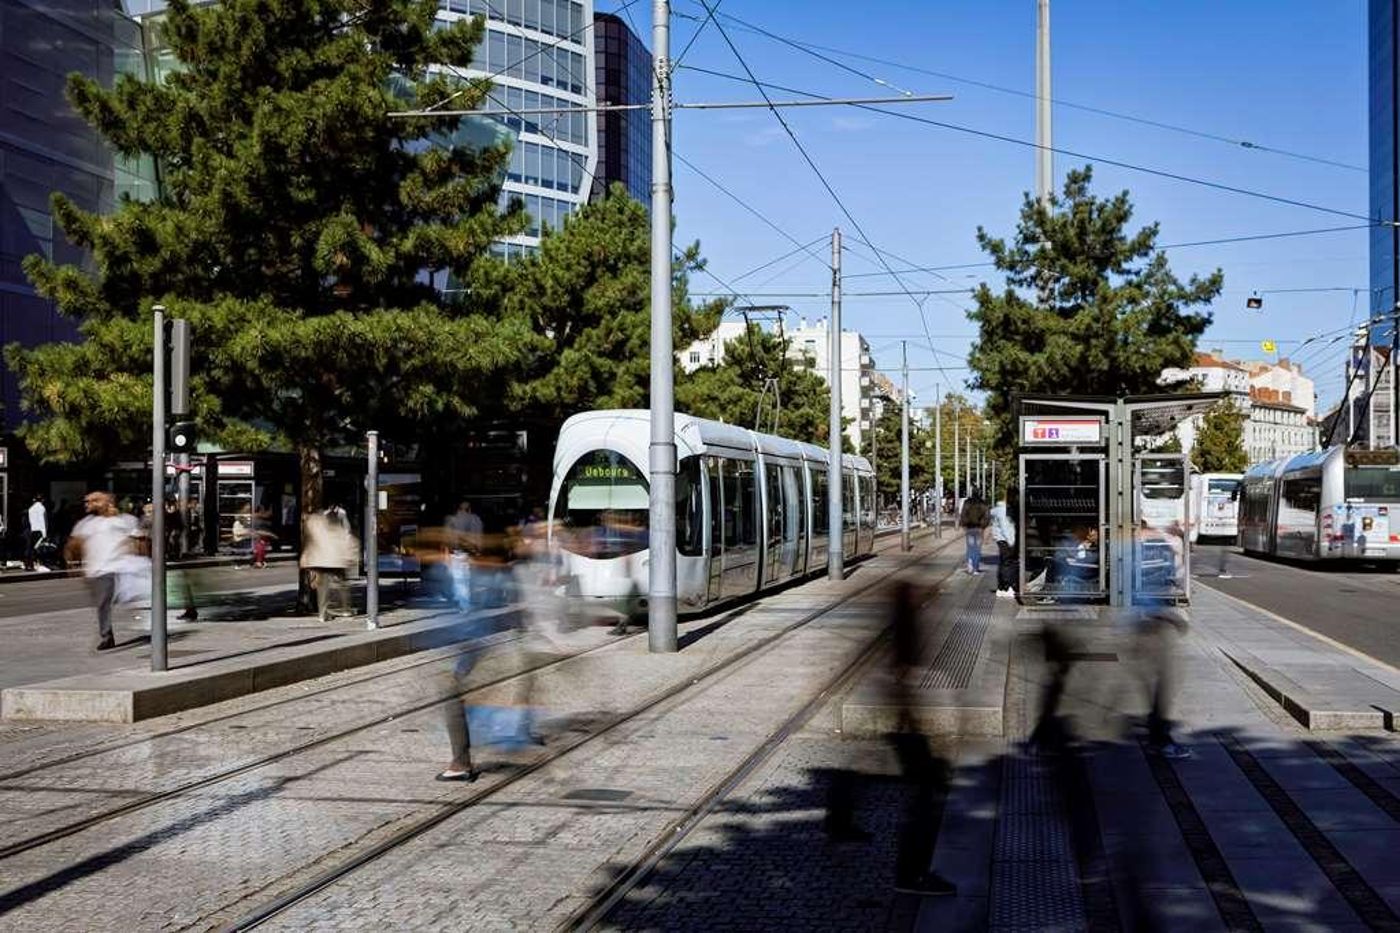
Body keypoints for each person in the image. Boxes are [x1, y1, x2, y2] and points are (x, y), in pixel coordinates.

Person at [65, 491, 140, 650]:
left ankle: (152, 623)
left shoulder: (124, 521)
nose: (88, 504)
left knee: (112, 600)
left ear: (107, 503)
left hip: (118, 568)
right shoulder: (86, 523)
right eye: (87, 501)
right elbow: (74, 543)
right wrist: (72, 562)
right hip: (97, 570)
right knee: (103, 604)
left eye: (93, 501)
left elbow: (137, 541)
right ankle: (107, 636)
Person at [990, 492, 1017, 598]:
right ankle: (1006, 587)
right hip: (1005, 540)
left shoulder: (999, 509)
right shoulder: (1003, 510)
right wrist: (1011, 541)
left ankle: (1001, 588)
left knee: (1003, 563)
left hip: (1002, 539)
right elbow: (1005, 527)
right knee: (1007, 564)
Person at [958, 488, 990, 575]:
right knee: (977, 549)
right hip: (979, 528)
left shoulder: (967, 502)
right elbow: (987, 516)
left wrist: (964, 525)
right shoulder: (983, 503)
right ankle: (975, 568)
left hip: (969, 528)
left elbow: (963, 514)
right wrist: (984, 526)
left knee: (970, 548)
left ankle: (970, 566)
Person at [24, 494, 48, 571]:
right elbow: (43, 520)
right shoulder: (42, 508)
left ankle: (29, 564)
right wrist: (44, 533)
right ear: (42, 500)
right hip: (40, 530)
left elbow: (29, 521)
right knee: (39, 548)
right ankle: (39, 564)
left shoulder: (31, 509)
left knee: (31, 548)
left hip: (32, 530)